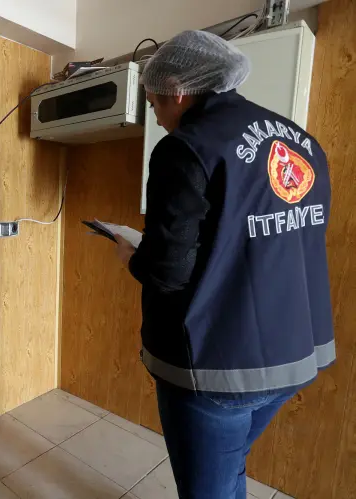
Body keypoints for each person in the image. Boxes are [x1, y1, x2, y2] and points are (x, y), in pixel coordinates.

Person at [113, 31, 334, 498]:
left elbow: (169, 272)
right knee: (228, 469)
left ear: (175, 91)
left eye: (154, 106)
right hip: (296, 351)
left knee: (207, 489)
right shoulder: (305, 145)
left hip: (219, 364)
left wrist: (133, 256)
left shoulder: (187, 147)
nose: (159, 118)